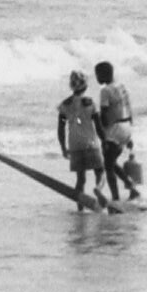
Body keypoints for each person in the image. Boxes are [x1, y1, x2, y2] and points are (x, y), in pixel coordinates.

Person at [57, 71, 106, 207]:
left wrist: (63, 148)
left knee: (81, 180)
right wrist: (105, 142)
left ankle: (80, 209)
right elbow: (99, 127)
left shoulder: (64, 105)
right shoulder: (90, 103)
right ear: (85, 86)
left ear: (71, 86)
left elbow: (60, 130)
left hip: (74, 145)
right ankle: (98, 189)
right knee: (100, 172)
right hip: (91, 143)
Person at [95, 61, 138, 202]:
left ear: (103, 75)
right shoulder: (122, 86)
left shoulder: (105, 91)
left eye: (97, 75)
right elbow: (128, 107)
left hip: (115, 129)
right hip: (126, 126)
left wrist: (102, 134)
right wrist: (129, 135)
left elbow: (104, 114)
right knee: (111, 162)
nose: (96, 78)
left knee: (108, 166)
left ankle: (115, 199)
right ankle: (131, 186)